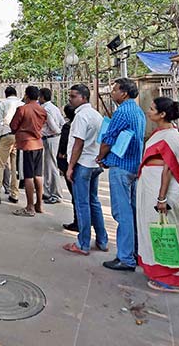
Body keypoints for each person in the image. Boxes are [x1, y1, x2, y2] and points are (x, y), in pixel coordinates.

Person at [137, 97, 179, 292]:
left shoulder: (171, 137)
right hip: (153, 186)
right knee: (154, 230)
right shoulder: (162, 133)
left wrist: (161, 198)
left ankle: (172, 278)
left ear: (162, 114)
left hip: (162, 190)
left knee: (167, 232)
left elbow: (169, 169)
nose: (148, 111)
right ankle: (159, 271)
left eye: (152, 109)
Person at [96, 78, 146, 271]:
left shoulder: (122, 112)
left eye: (115, 89)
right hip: (134, 166)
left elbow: (108, 139)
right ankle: (135, 252)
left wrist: (101, 157)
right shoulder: (138, 111)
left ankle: (125, 257)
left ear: (124, 93)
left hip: (121, 166)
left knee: (122, 213)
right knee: (131, 212)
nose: (112, 93)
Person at [62, 84, 108, 255]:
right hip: (94, 163)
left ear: (84, 97)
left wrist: (70, 167)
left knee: (82, 204)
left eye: (73, 96)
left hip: (83, 163)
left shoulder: (81, 116)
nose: (70, 99)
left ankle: (83, 243)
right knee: (93, 202)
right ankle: (102, 240)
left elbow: (78, 143)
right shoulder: (96, 115)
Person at [10, 86, 47, 217]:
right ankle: (39, 204)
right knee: (38, 175)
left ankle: (30, 206)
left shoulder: (23, 109)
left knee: (28, 176)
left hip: (26, 144)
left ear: (26, 95)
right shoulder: (42, 110)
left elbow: (13, 126)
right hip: (38, 143)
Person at [39, 88, 65, 204]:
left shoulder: (46, 109)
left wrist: (56, 132)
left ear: (42, 97)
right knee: (48, 166)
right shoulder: (54, 107)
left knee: (52, 166)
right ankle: (47, 191)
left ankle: (56, 194)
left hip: (50, 138)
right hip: (53, 138)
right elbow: (62, 123)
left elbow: (53, 127)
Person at [59, 104, 78, 232]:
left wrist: (61, 157)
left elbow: (63, 146)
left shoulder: (68, 127)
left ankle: (78, 221)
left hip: (69, 161)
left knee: (75, 194)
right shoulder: (78, 124)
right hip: (83, 161)